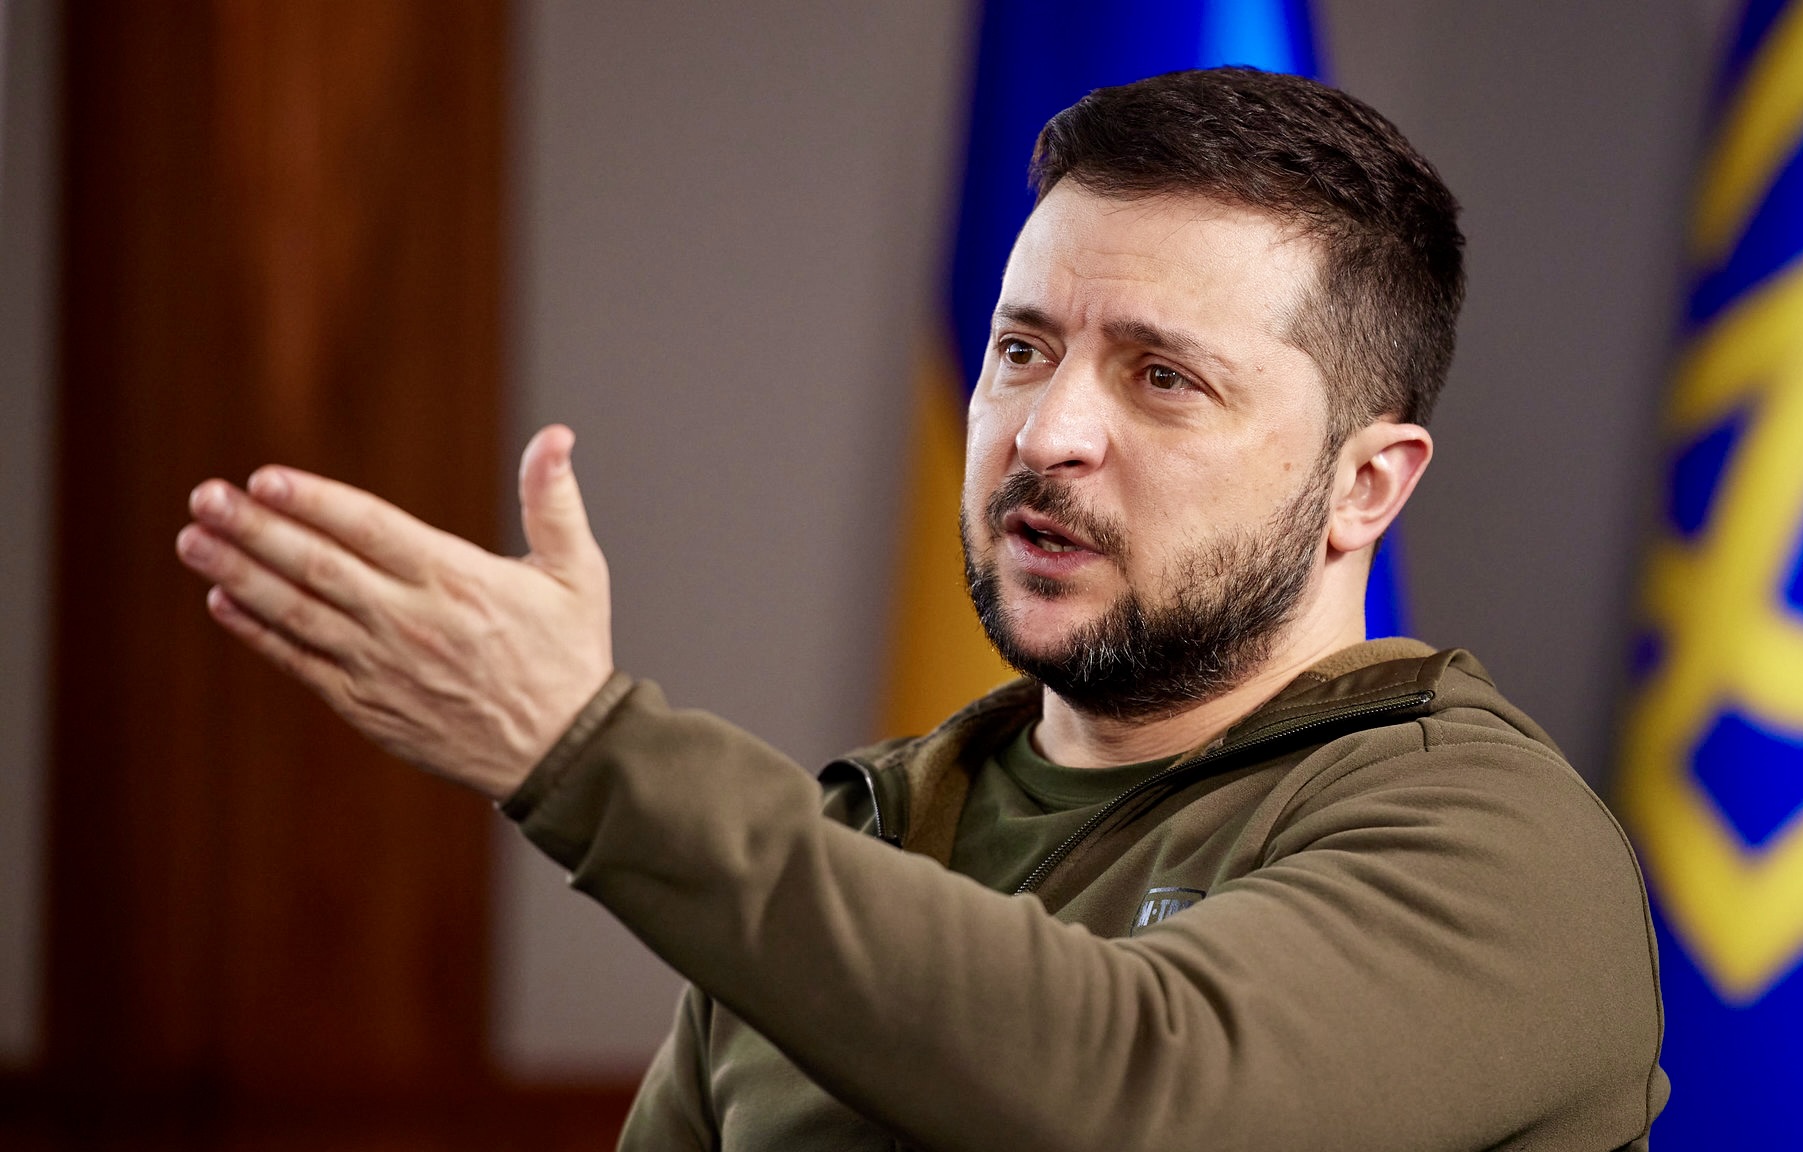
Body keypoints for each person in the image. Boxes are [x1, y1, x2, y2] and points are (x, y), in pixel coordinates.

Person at [174, 68, 1667, 1151]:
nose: (1048, 433)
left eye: (1163, 377)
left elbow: (1143, 1095)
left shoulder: (1494, 845)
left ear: (1365, 486)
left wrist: (586, 754)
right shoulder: (867, 837)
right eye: (1022, 350)